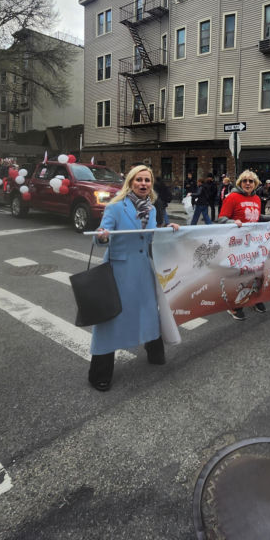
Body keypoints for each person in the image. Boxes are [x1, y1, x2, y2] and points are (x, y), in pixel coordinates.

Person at [88, 164, 179, 391]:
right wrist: (102, 236)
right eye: (139, 180)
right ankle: (100, 372)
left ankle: (154, 350)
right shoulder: (116, 207)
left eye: (147, 180)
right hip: (118, 271)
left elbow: (151, 238)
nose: (143, 184)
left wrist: (169, 228)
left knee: (148, 311)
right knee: (111, 320)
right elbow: (99, 238)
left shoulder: (152, 209)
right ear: (130, 182)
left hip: (143, 269)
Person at [217, 169, 270, 319]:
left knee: (257, 271)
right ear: (240, 183)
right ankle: (234, 305)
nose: (248, 183)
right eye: (245, 180)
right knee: (238, 274)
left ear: (256, 184)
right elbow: (221, 219)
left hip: (254, 243)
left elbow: (257, 217)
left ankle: (254, 298)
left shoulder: (257, 199)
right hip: (236, 244)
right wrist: (233, 222)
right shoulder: (232, 197)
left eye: (251, 181)